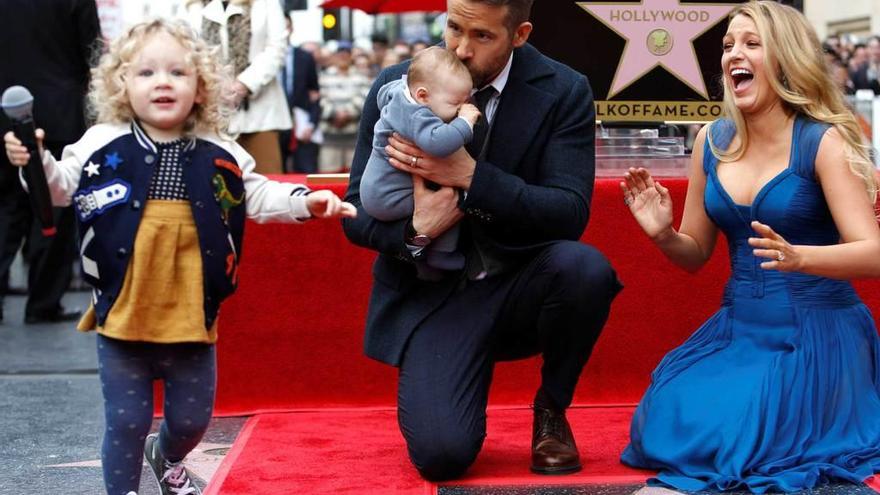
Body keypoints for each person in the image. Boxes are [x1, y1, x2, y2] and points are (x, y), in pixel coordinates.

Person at [4, 20, 355, 495]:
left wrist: (304, 201)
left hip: (192, 313)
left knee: (192, 420)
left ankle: (167, 455)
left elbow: (255, 194)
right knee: (126, 421)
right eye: (146, 72)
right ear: (121, 84)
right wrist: (36, 159)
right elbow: (61, 187)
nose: (163, 81)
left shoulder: (219, 150)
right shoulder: (101, 142)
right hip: (123, 313)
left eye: (177, 72)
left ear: (201, 86)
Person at [342, 0, 621, 480]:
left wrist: (473, 177)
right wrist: (416, 233)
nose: (460, 48)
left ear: (520, 34)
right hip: (432, 293)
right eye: (453, 27)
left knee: (586, 268)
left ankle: (552, 410)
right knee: (442, 456)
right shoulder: (400, 84)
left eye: (482, 36)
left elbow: (569, 212)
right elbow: (354, 213)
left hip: (520, 280)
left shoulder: (565, 89)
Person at [619, 2, 880, 493]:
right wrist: (662, 234)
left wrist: (804, 257)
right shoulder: (709, 142)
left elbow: (874, 253)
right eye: (727, 45)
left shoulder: (822, 142)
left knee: (745, 437)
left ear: (785, 60)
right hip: (739, 331)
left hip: (817, 334)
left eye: (751, 44)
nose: (733, 54)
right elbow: (695, 253)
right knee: (665, 420)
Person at [0, 0, 101, 324]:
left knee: (4, 209)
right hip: (60, 111)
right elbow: (92, 51)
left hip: (4, 109)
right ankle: (44, 302)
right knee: (52, 212)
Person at [360, 47, 480, 279]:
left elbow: (382, 93)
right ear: (423, 96)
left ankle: (427, 260)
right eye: (455, 103)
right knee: (451, 200)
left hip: (378, 188)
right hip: (388, 196)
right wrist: (465, 122)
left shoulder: (401, 92)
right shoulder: (417, 113)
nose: (459, 108)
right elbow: (438, 143)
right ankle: (440, 254)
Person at [181, 0, 291, 174]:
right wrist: (216, 83)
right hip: (210, 112)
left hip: (260, 113)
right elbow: (187, 52)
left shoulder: (266, 4)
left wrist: (244, 84)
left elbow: (277, 48)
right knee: (214, 183)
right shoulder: (192, 6)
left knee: (267, 179)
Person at [278, 16, 322, 174]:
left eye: (285, 27)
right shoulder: (259, 59)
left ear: (291, 29)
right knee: (274, 175)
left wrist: (311, 124)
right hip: (274, 124)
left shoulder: (304, 57)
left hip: (301, 124)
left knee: (306, 173)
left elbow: (315, 94)